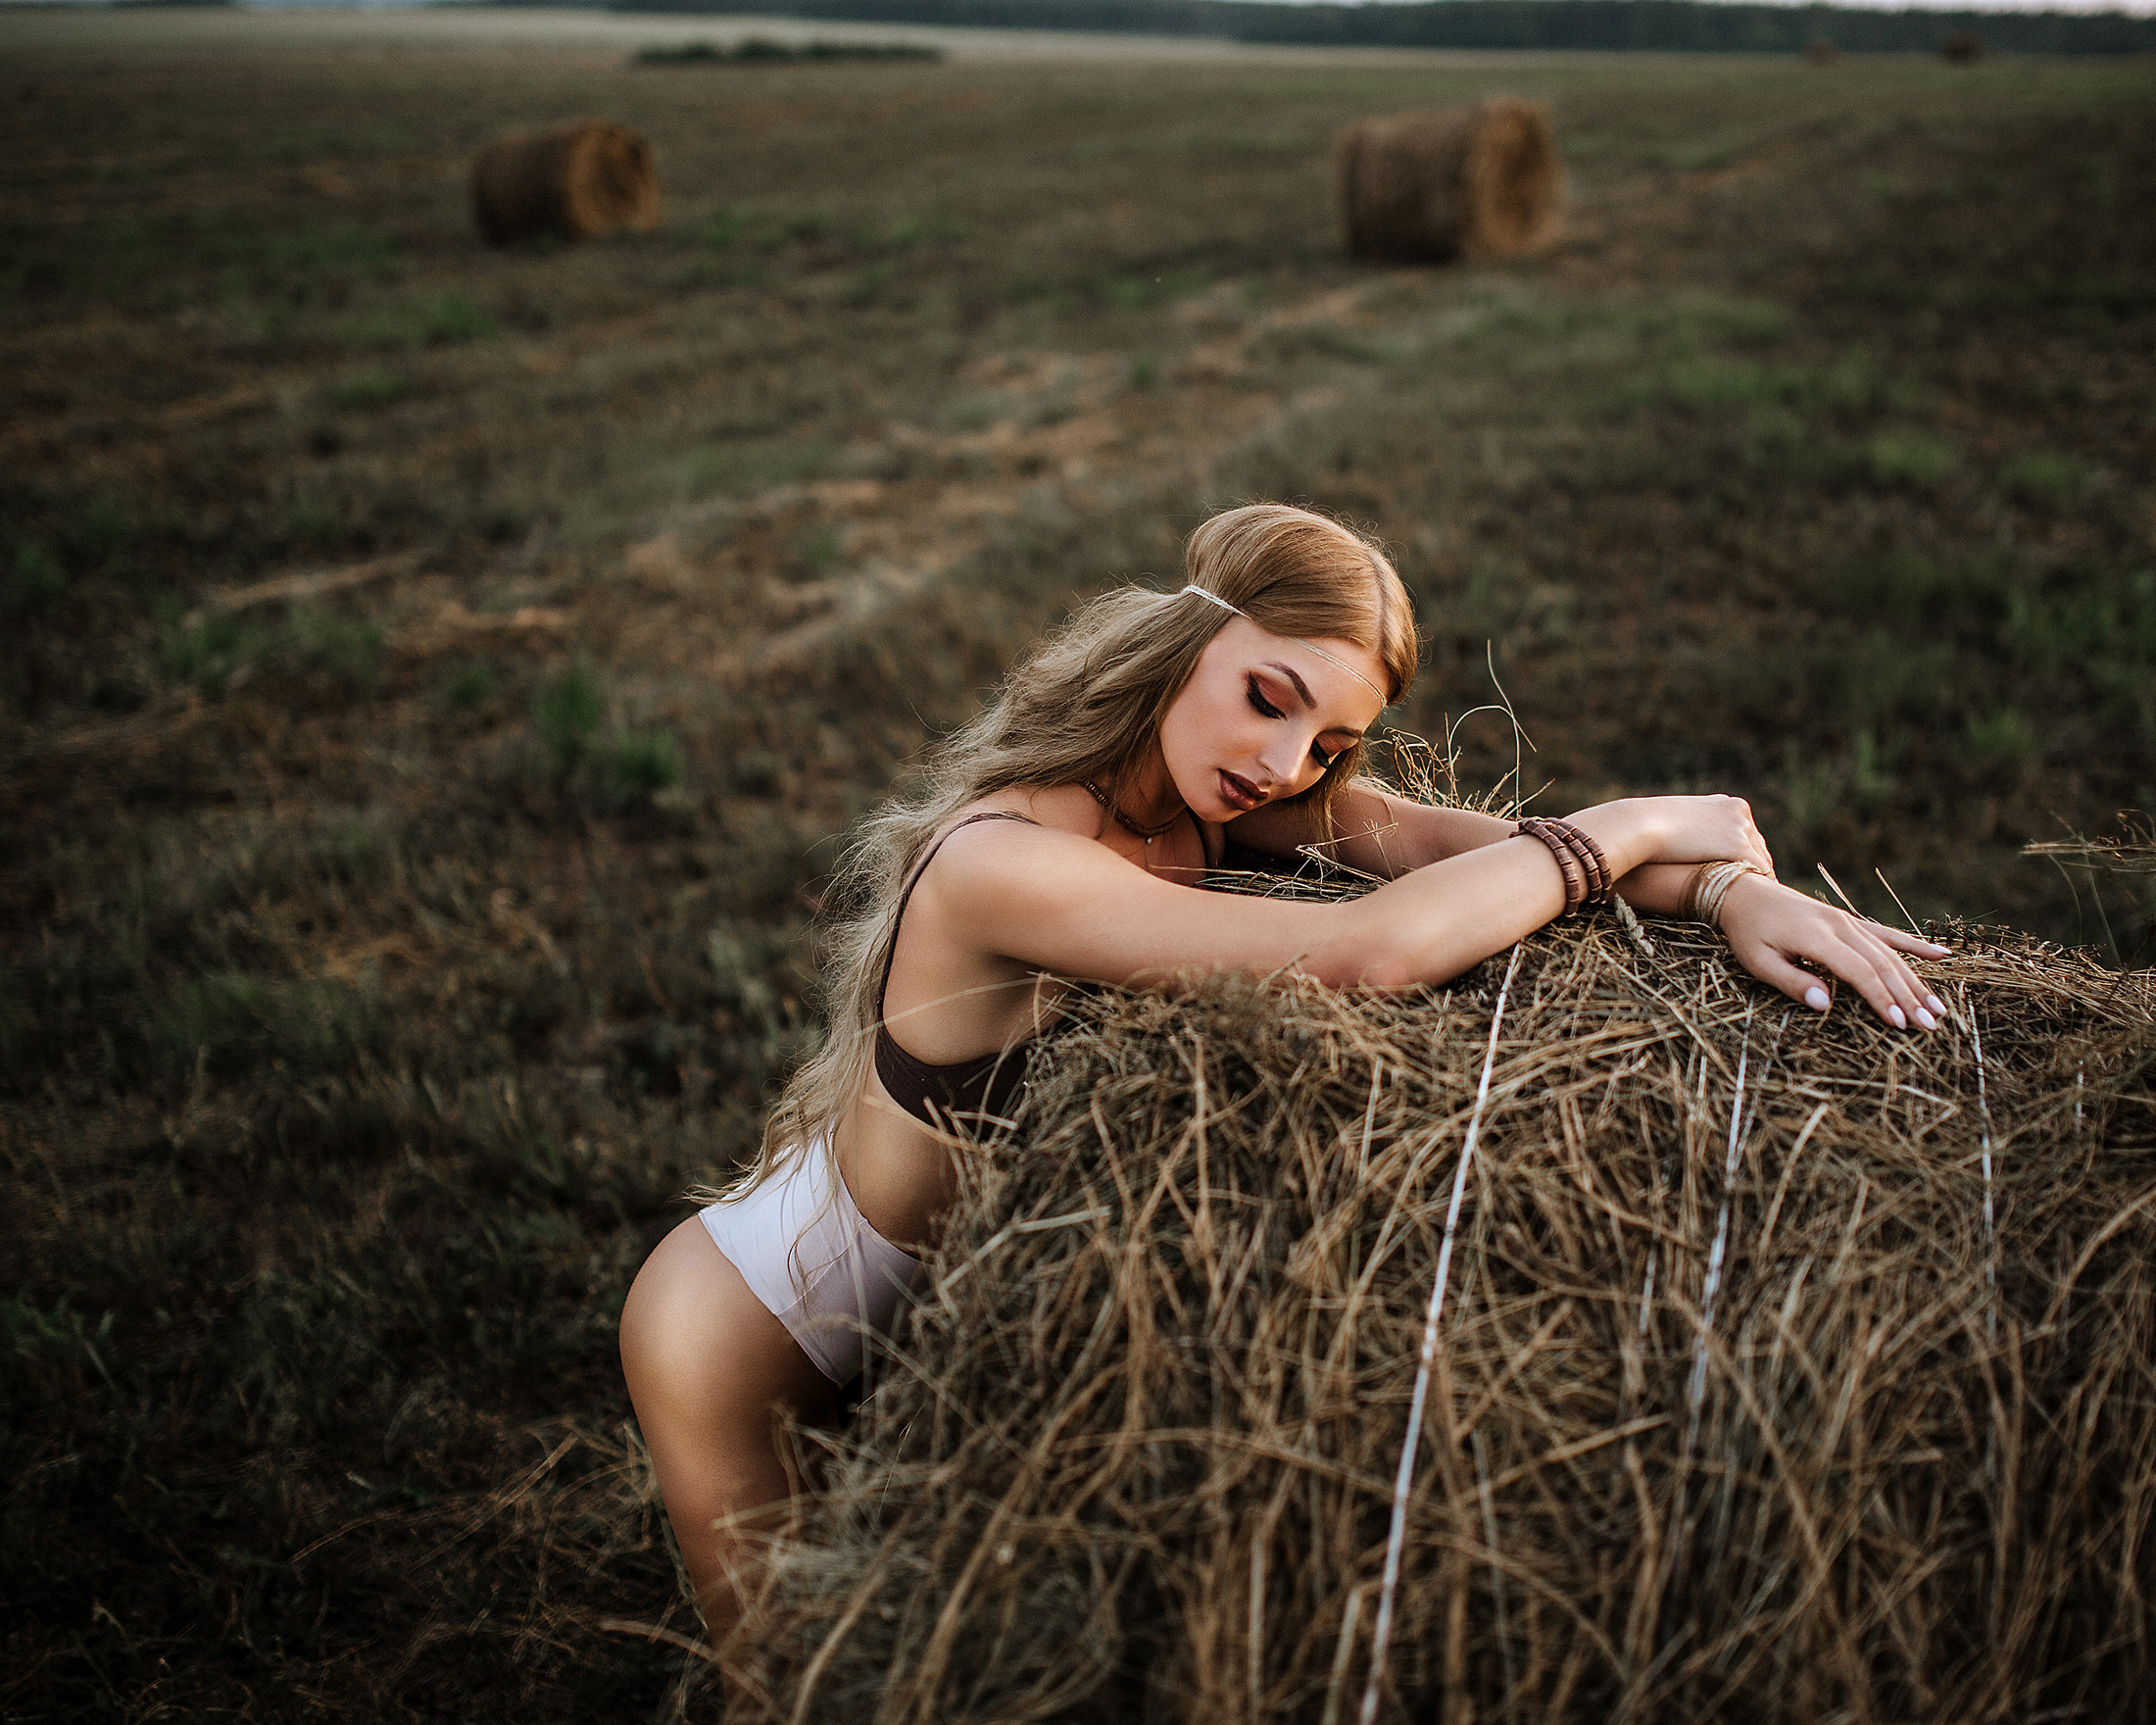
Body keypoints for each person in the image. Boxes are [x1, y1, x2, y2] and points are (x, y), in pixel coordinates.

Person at [617, 503, 1949, 1635]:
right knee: (801, 1687)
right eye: (1269, 698)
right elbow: (1373, 953)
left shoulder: (1220, 802)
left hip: (948, 1316)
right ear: (1181, 643)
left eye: (1328, 745)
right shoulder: (999, 863)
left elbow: (1484, 857)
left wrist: (1721, 890)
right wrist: (1646, 819)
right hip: (752, 1331)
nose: (1280, 765)